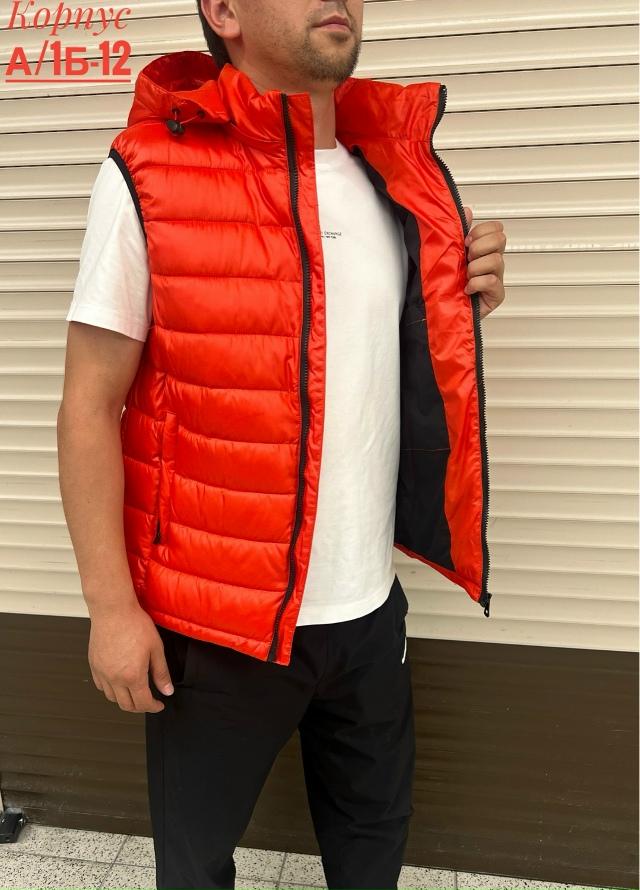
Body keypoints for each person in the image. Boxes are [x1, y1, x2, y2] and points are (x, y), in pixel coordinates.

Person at [57, 1, 507, 887]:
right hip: (215, 629)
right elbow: (88, 403)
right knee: (195, 866)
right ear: (223, 11)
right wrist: (111, 609)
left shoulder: (398, 171)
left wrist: (458, 301)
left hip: (370, 612)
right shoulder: (149, 171)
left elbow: (362, 354)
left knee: (373, 851)